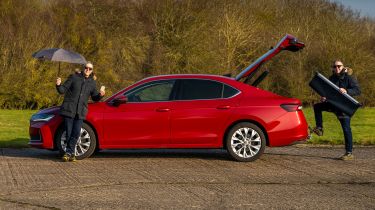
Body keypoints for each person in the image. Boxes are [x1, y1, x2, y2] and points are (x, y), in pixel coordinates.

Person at [56, 62, 105, 162]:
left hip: (81, 112)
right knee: (69, 132)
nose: (87, 70)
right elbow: (62, 90)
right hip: (69, 109)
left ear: (92, 71)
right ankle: (70, 153)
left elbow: (95, 97)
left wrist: (100, 94)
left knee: (76, 133)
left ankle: (69, 152)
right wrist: (58, 84)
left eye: (90, 69)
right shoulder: (74, 77)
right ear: (83, 68)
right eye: (86, 68)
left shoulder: (92, 82)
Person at [312, 60, 361, 160]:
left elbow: (357, 90)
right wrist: (324, 97)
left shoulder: (349, 78)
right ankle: (319, 128)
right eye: (334, 66)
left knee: (346, 129)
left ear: (343, 66)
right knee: (317, 106)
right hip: (333, 104)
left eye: (339, 66)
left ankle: (349, 153)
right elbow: (329, 92)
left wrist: (346, 91)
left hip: (344, 107)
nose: (337, 68)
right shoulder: (332, 78)